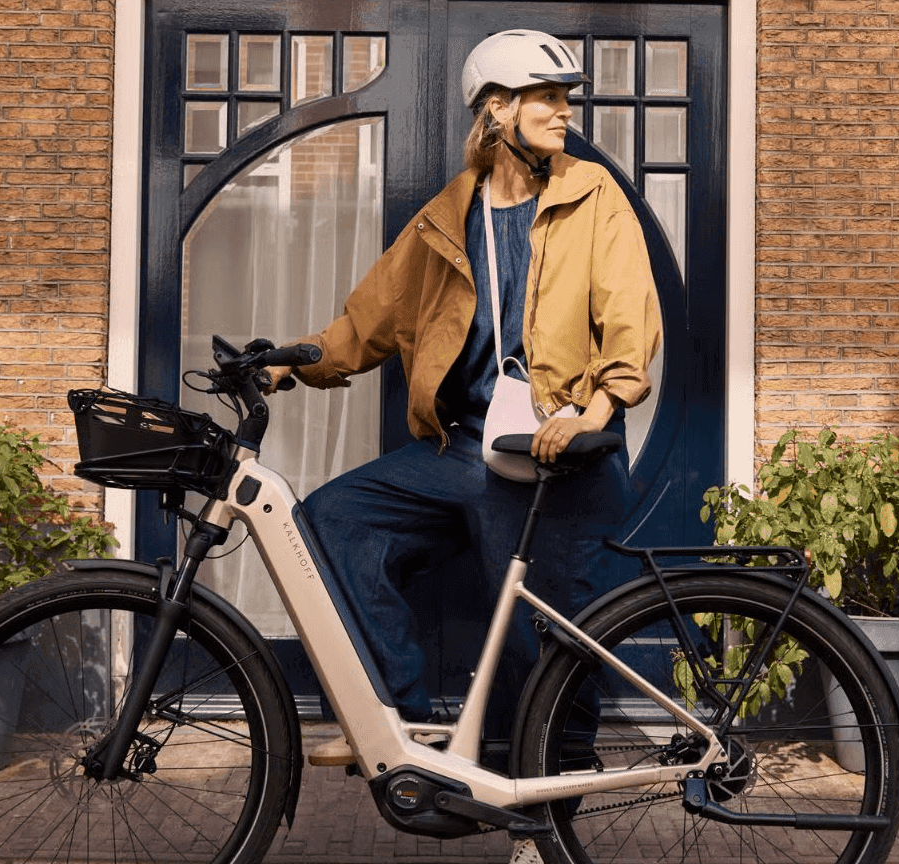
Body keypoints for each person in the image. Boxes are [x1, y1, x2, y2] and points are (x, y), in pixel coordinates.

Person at [269, 26, 662, 808]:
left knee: (538, 654)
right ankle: (398, 719)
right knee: (333, 524)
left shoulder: (592, 196)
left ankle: (547, 823)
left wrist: (596, 410)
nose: (562, 112)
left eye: (563, 98)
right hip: (465, 451)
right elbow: (367, 323)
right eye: (545, 98)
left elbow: (629, 318)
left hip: (557, 453)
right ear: (496, 110)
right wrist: (293, 360)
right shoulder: (448, 216)